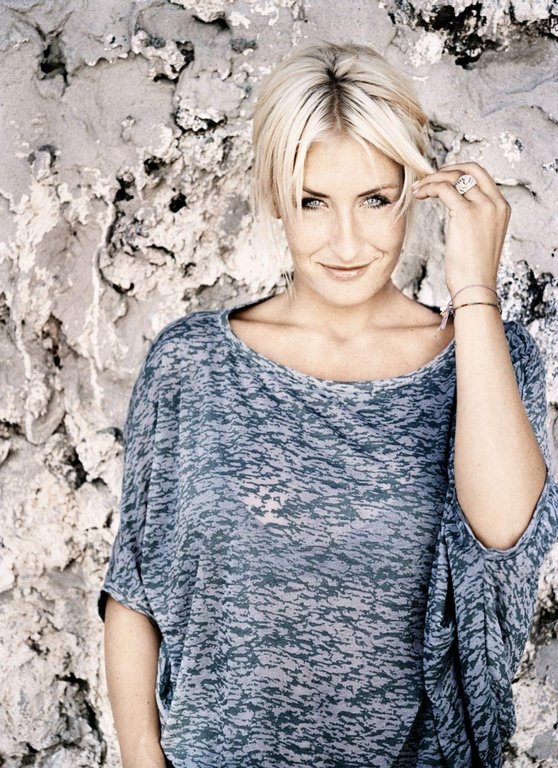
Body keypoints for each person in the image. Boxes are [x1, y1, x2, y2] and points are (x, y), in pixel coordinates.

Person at [98, 40, 558, 768]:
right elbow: (135, 591)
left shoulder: (487, 360)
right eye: (313, 202)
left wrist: (475, 291)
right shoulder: (191, 364)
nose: (346, 242)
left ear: (415, 189)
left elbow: (503, 536)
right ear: (277, 198)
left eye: (375, 199)